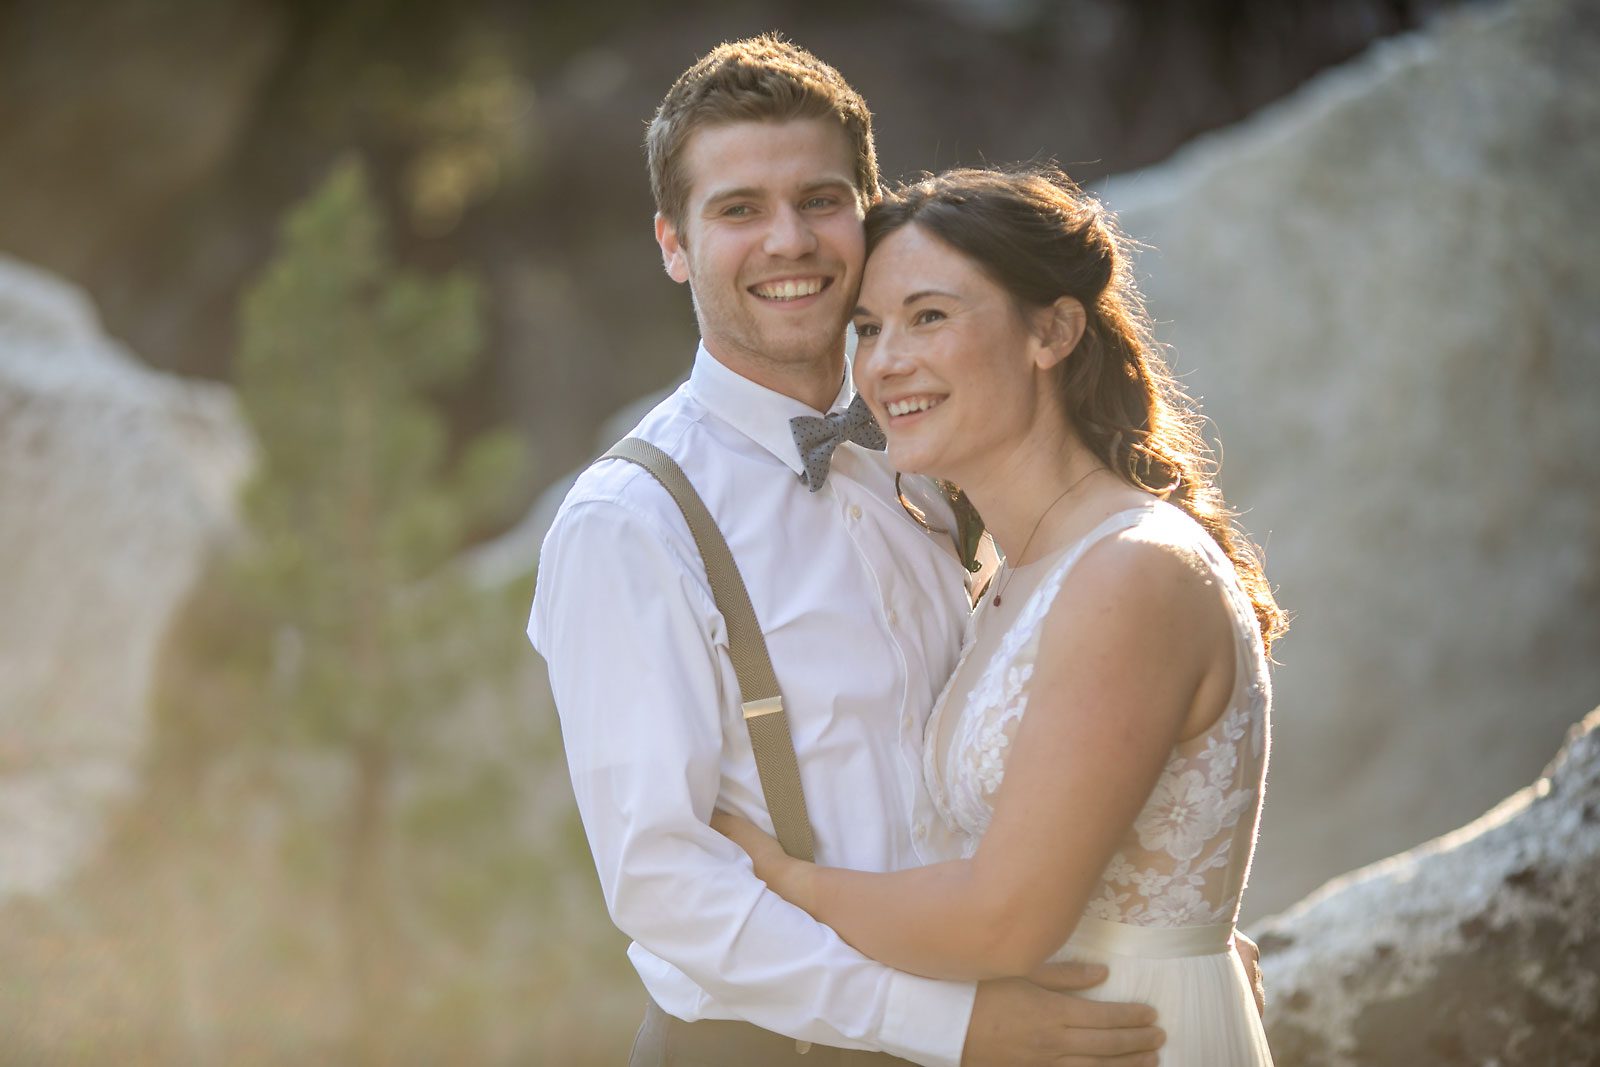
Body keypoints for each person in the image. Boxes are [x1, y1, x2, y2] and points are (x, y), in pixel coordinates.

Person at [529, 35, 1175, 1067]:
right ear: (673, 242)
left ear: (867, 215)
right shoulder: (629, 521)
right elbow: (665, 882)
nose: (788, 240)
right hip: (774, 1046)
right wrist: (947, 1026)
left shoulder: (931, 444)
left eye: (820, 200)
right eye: (739, 209)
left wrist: (1153, 931)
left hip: (1014, 1014)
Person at [713, 164, 1287, 1065]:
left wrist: (786, 881)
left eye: (930, 316)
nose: (886, 361)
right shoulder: (1009, 573)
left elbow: (1004, 916)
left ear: (1052, 331)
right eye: (868, 328)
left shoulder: (1131, 571)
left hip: (1128, 1032)